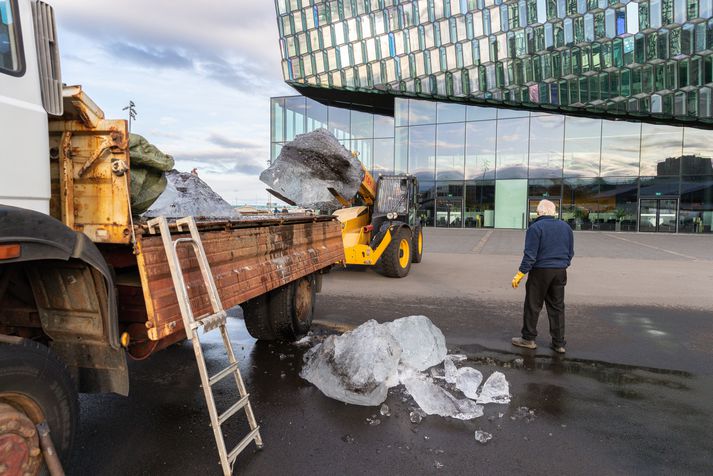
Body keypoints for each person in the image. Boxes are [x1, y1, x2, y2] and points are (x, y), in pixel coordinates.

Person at [511, 199, 574, 353]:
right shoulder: (566, 227)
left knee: (533, 305)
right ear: (553, 212)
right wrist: (563, 264)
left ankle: (528, 338)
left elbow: (530, 255)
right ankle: (558, 343)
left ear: (540, 212)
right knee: (557, 307)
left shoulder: (535, 227)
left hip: (540, 271)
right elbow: (570, 252)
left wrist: (520, 273)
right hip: (560, 271)